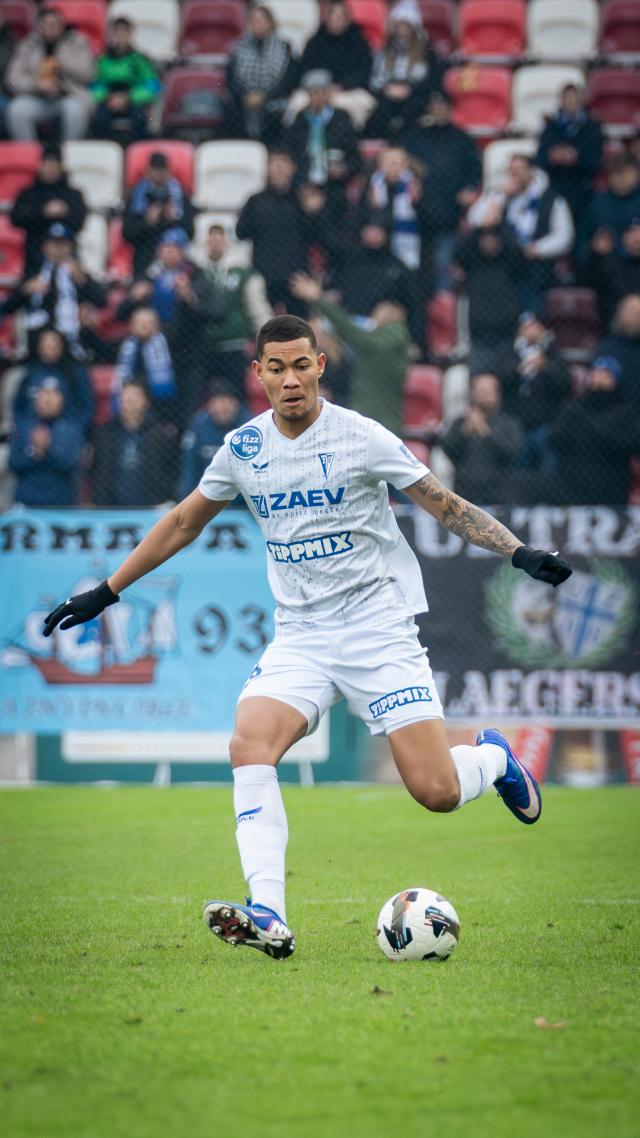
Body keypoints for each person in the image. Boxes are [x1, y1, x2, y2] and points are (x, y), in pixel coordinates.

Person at [43, 313, 572, 960]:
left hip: (378, 629)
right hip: (302, 637)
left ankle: (493, 760)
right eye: (277, 368)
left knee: (436, 792)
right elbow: (183, 522)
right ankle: (268, 911)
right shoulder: (243, 449)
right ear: (258, 374)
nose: (290, 379)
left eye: (301, 365)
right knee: (249, 743)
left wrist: (518, 552)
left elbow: (443, 503)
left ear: (320, 365)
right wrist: (108, 590)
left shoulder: (362, 437)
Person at [290, 272, 411, 436]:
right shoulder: (379, 344)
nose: (374, 314)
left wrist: (318, 298)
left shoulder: (385, 341)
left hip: (377, 424)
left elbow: (347, 328)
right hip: (370, 423)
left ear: (390, 313)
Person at [400, 90, 481, 292]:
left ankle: (443, 303)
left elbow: (475, 171)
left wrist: (469, 190)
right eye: (435, 107)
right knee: (414, 264)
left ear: (450, 109)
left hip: (449, 212)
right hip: (417, 213)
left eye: (443, 106)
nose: (439, 110)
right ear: (429, 109)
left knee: (444, 263)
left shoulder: (462, 139)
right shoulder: (415, 138)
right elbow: (403, 166)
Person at [469, 155, 574, 309]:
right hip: (504, 259)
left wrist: (538, 249)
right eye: (512, 171)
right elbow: (474, 219)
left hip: (536, 262)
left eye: (520, 170)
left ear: (531, 171)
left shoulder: (551, 199)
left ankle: (531, 318)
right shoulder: (501, 195)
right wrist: (499, 195)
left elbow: (564, 236)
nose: (515, 175)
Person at [0, 222, 105, 359]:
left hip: (71, 342)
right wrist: (25, 290)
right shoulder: (34, 272)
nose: (57, 249)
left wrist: (83, 281)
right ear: (44, 247)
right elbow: (8, 307)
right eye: (53, 243)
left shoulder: (78, 273)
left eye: (62, 244)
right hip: (36, 342)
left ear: (71, 247)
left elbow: (101, 301)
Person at [549, 357, 640, 505]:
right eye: (595, 371)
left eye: (605, 373)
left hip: (612, 484)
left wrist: (593, 430)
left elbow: (632, 444)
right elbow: (554, 440)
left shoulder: (625, 411)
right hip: (572, 482)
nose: (598, 376)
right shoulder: (574, 407)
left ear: (615, 379)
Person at [198, 224, 272, 397]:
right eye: (211, 239)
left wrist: (268, 337)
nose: (215, 243)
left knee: (237, 395)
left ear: (227, 242)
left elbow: (257, 307)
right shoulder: (198, 272)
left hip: (235, 344)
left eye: (219, 238)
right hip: (205, 347)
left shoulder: (243, 272)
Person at [498, 312, 572, 476]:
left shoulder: (552, 353)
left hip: (545, 423)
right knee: (517, 470)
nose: (529, 330)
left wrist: (545, 366)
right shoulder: (510, 353)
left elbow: (565, 384)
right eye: (525, 327)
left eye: (533, 325)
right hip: (516, 424)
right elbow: (501, 379)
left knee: (548, 468)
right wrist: (519, 367)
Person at [5, 6, 94, 142]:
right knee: (16, 110)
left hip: (69, 95)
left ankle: (67, 151)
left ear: (62, 25)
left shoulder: (77, 42)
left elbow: (89, 74)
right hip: (37, 97)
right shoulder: (28, 45)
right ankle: (31, 151)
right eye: (47, 24)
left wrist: (62, 63)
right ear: (39, 27)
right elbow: (11, 80)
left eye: (55, 24)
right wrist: (36, 85)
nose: (52, 28)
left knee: (76, 110)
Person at [236, 150, 310, 314]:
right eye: (274, 164)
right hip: (265, 277)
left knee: (296, 324)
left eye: (284, 164)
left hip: (295, 279)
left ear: (292, 168)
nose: (279, 169)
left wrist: (313, 212)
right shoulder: (256, 201)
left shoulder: (301, 201)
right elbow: (240, 233)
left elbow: (315, 236)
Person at [453, 222, 527, 375]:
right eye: (485, 239)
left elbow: (519, 253)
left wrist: (499, 225)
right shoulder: (473, 264)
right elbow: (458, 252)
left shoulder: (509, 264)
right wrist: (479, 227)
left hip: (507, 338)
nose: (489, 243)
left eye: (493, 238)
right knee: (478, 383)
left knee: (508, 382)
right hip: (479, 339)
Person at [91, 379, 179, 507]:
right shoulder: (105, 433)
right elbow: (97, 471)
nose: (130, 399)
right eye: (125, 395)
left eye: (135, 395)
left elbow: (171, 470)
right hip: (111, 509)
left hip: (151, 508)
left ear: (146, 402)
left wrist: (165, 500)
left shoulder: (161, 435)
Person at [365, 0, 443, 140]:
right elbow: (375, 79)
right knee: (380, 114)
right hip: (388, 94)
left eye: (405, 26)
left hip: (416, 94)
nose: (401, 30)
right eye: (398, 25)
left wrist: (410, 89)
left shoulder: (428, 48)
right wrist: (386, 89)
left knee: (412, 110)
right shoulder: (386, 48)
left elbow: (434, 79)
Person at [284, 70, 360, 213]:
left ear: (329, 94)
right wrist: (301, 183)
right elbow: (291, 153)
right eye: (314, 93)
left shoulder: (342, 119)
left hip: (334, 186)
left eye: (323, 92)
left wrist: (344, 170)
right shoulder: (300, 120)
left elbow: (355, 159)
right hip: (304, 184)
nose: (319, 97)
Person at [440, 373, 521, 505]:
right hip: (464, 493)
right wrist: (465, 432)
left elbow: (512, 453)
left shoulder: (508, 423)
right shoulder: (461, 422)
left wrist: (485, 431)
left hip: (499, 494)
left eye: (488, 391)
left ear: (497, 395)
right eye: (479, 391)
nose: (483, 396)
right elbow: (448, 450)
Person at [10, 142, 87, 275]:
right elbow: (16, 218)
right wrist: (43, 212)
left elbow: (79, 223)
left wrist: (64, 212)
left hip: (66, 255)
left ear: (61, 167)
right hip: (34, 255)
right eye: (47, 164)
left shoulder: (73, 195)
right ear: (40, 165)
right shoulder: (28, 194)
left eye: (55, 164)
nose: (51, 169)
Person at [225, 4, 297, 144]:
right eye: (254, 20)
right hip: (244, 99)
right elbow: (231, 79)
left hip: (273, 98)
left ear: (270, 23)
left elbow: (288, 81)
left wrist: (264, 97)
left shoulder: (284, 47)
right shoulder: (239, 48)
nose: (257, 23)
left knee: (277, 113)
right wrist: (245, 96)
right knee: (230, 110)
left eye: (261, 20)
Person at [9, 374, 83, 505]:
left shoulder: (72, 429)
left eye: (54, 394)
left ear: (63, 399)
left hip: (61, 502)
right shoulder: (20, 428)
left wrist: (49, 448)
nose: (48, 400)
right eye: (43, 393)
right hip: (26, 501)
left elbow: (72, 465)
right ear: (35, 399)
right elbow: (13, 463)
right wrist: (34, 452)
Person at [297, 1, 373, 129]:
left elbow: (364, 72)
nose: (337, 20)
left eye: (341, 16)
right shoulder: (315, 42)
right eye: (334, 15)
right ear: (327, 18)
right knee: (296, 103)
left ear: (348, 20)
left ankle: (351, 138)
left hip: (349, 91)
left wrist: (342, 86)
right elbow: (305, 70)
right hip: (316, 91)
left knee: (360, 105)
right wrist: (320, 88)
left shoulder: (360, 43)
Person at [536, 84, 603, 226]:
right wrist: (553, 157)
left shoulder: (592, 127)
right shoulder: (550, 127)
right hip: (556, 187)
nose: (570, 101)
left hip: (582, 190)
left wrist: (576, 157)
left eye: (574, 97)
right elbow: (540, 161)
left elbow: (596, 162)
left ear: (581, 100)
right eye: (566, 98)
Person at [123, 152, 195, 277]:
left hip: (175, 258)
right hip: (145, 256)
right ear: (148, 171)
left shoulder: (180, 194)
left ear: (169, 171)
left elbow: (190, 232)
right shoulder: (136, 195)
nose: (160, 174)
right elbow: (127, 233)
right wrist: (148, 222)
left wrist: (174, 219)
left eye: (163, 170)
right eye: (156, 170)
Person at [91, 16, 160, 146]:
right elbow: (95, 85)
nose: (120, 36)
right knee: (98, 119)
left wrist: (129, 98)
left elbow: (153, 86)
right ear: (111, 35)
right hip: (108, 101)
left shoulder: (140, 60)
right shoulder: (102, 60)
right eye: (117, 32)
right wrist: (107, 97)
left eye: (124, 32)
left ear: (130, 35)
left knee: (140, 118)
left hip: (133, 101)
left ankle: (137, 150)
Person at [12, 325, 94, 435]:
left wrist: (73, 429)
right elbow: (18, 407)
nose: (49, 347)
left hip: (66, 429)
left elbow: (86, 408)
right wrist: (28, 428)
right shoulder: (30, 373)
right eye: (45, 343)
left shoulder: (75, 373)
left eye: (53, 343)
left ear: (61, 346)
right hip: (31, 429)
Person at [179, 380, 250, 499]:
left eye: (228, 401)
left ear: (237, 404)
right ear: (209, 405)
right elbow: (189, 472)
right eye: (218, 401)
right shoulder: (198, 426)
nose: (222, 407)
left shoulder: (249, 427)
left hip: (241, 500)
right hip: (205, 499)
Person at [114, 307, 177, 410]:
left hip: (160, 400)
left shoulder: (168, 343)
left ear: (157, 325)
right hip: (133, 393)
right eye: (140, 322)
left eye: (149, 322)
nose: (144, 326)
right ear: (132, 326)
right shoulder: (124, 345)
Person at [592, 293, 640, 403]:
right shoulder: (609, 347)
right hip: (619, 408)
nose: (637, 318)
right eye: (632, 313)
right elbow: (605, 367)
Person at [0, 9, 16, 138]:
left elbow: (14, 79)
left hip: (5, 88)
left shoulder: (11, 42)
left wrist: (10, 85)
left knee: (3, 105)